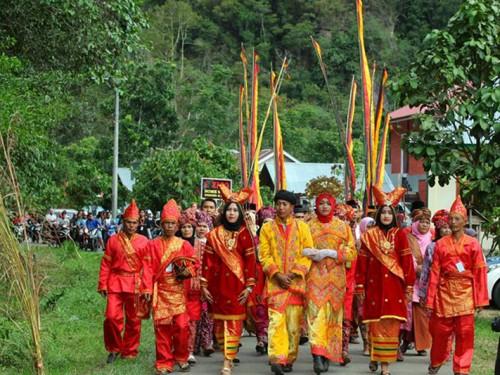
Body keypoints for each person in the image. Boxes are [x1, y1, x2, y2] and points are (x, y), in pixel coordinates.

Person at [355, 186, 416, 375]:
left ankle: (385, 366)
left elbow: (407, 263)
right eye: (384, 212)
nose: (387, 216)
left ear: (394, 216)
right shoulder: (369, 236)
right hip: (374, 287)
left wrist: (409, 286)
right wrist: (360, 285)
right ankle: (375, 355)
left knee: (390, 327)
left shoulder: (401, 235)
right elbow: (362, 264)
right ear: (379, 214)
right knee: (375, 325)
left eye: (390, 212)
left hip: (394, 288)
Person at [426, 196, 489, 375]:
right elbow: (434, 273)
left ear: (464, 221)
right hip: (444, 293)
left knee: (465, 334)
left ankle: (462, 369)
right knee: (440, 333)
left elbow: (479, 274)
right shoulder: (440, 244)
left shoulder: (473, 244)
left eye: (457, 219)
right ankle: (437, 359)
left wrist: (480, 300)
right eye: (451, 219)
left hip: (466, 294)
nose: (453, 222)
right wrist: (430, 300)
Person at [200, 186, 257, 375]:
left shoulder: (244, 234)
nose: (231, 213)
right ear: (224, 212)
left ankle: (227, 360)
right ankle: (228, 355)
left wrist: (249, 286)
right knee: (219, 327)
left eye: (235, 210)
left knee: (233, 325)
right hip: (217, 287)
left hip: (237, 286)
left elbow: (250, 261)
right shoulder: (214, 235)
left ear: (239, 213)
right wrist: (204, 284)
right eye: (229, 209)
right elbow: (207, 262)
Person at [259, 190, 313, 375]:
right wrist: (276, 274)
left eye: (284, 204)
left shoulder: (302, 227)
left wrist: (294, 273)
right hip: (275, 284)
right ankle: (276, 358)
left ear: (292, 207)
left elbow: (308, 254)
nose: (280, 207)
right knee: (275, 323)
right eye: (278, 204)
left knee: (293, 326)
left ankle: (289, 358)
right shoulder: (267, 228)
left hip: (295, 284)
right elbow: (264, 255)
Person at [142, 199, 198, 374]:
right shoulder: (152, 245)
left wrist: (187, 272)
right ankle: (164, 362)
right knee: (162, 328)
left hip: (179, 291)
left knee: (182, 327)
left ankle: (181, 357)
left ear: (177, 225)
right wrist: (146, 289)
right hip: (161, 292)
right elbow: (147, 268)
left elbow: (194, 265)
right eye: (166, 223)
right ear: (161, 224)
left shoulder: (185, 245)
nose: (169, 227)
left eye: (172, 223)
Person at [302, 193, 356, 374]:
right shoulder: (307, 226)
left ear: (334, 206)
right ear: (316, 205)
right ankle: (317, 354)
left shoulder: (343, 227)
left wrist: (332, 253)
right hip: (314, 277)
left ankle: (326, 355)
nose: (324, 206)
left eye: (328, 203)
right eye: (321, 203)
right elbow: (298, 247)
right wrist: (310, 252)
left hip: (336, 280)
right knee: (315, 315)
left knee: (332, 318)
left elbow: (351, 252)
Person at [97, 199, 150, 363]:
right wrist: (103, 283)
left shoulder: (144, 241)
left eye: (134, 223)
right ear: (123, 221)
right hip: (115, 282)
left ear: (138, 223)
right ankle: (114, 348)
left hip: (135, 283)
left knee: (134, 320)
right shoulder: (113, 240)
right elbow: (106, 263)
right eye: (128, 222)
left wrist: (147, 288)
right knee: (111, 317)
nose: (131, 225)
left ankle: (130, 350)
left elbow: (147, 267)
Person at [401, 208, 433, 356]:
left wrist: (426, 270)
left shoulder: (431, 238)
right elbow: (405, 256)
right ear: (415, 223)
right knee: (407, 314)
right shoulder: (407, 237)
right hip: (409, 279)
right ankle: (405, 341)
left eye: (427, 222)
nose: (425, 225)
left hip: (425, 282)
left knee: (421, 314)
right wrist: (416, 268)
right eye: (421, 222)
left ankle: (421, 345)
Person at [247, 206, 275, 355]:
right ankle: (261, 338)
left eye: (270, 222)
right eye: (265, 222)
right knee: (259, 309)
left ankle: (272, 339)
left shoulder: (279, 239)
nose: (268, 225)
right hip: (259, 277)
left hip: (275, 277)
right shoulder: (255, 240)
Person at [178, 208, 201, 364]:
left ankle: (190, 350)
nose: (187, 230)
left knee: (192, 320)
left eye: (189, 227)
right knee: (179, 320)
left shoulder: (201, 244)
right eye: (184, 227)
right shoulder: (175, 244)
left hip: (196, 287)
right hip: (178, 286)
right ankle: (179, 349)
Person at [193, 210, 216, 357]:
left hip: (209, 284)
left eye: (204, 226)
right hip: (193, 285)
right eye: (199, 225)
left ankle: (207, 343)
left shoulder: (213, 244)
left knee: (208, 314)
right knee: (195, 315)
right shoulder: (190, 243)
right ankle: (194, 345)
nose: (201, 228)